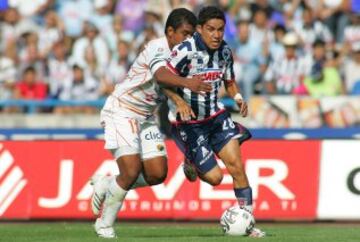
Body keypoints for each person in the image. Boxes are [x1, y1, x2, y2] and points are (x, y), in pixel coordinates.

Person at [91, 8, 211, 238]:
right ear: (170, 31)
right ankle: (104, 225)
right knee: (131, 170)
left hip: (146, 117)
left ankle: (107, 184)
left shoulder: (186, 56)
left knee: (157, 174)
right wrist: (188, 84)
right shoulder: (158, 47)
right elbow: (161, 77)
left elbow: (171, 89)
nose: (188, 40)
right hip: (122, 110)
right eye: (185, 34)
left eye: (191, 35)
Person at [165, 6, 265, 237]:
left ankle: (248, 223)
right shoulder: (185, 50)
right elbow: (163, 80)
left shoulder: (225, 52)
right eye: (211, 29)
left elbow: (229, 81)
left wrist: (238, 97)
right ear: (199, 29)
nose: (216, 35)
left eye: (220, 29)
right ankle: (191, 161)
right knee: (215, 178)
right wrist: (178, 101)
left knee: (237, 166)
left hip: (216, 117)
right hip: (189, 123)